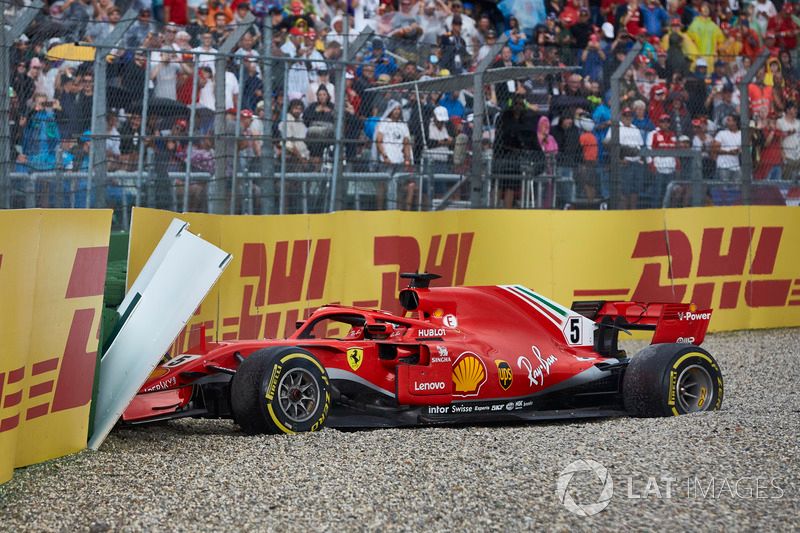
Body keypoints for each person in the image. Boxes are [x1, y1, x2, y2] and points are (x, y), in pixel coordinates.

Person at [375, 101, 413, 210]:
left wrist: (407, 159)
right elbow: (379, 140)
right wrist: (384, 155)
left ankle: (397, 210)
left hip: (399, 160)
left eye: (398, 109)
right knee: (383, 185)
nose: (397, 111)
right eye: (395, 109)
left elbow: (406, 143)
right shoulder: (384, 122)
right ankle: (380, 210)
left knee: (399, 187)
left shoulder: (403, 125)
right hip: (386, 160)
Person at [605, 106, 645, 209]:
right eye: (626, 115)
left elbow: (640, 145)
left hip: (636, 162)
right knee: (623, 190)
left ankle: (633, 212)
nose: (628, 118)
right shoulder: (615, 127)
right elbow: (608, 144)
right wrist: (619, 159)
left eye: (630, 116)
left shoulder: (635, 128)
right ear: (621, 116)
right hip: (624, 162)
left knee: (635, 190)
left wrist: (640, 159)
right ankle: (623, 213)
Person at [711, 114, 742, 181]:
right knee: (724, 188)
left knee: (736, 188)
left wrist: (738, 150)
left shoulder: (741, 134)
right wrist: (729, 152)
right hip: (723, 166)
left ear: (735, 122)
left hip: (736, 166)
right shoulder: (722, 133)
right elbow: (714, 149)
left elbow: (743, 148)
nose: (726, 122)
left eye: (729, 120)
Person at [777, 103, 800, 180]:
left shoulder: (798, 123)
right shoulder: (780, 122)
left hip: (798, 156)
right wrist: (782, 155)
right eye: (794, 109)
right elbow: (778, 139)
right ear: (787, 110)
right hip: (787, 156)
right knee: (786, 181)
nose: (796, 111)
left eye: (796, 109)